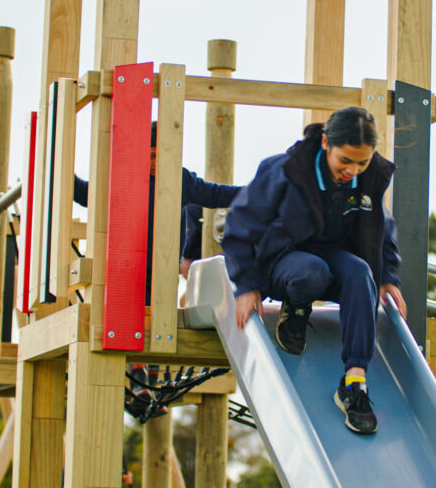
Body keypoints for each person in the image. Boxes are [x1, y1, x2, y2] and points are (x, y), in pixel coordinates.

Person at [222, 106, 406, 435]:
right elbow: (239, 225)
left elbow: (383, 228)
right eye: (345, 161)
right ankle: (296, 307)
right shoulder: (283, 171)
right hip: (282, 258)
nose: (353, 170)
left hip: (331, 255)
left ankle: (354, 382)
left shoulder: (368, 178)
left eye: (362, 162)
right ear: (325, 143)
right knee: (312, 271)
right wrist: (246, 284)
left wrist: (389, 278)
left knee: (361, 272)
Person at [74, 121, 241, 420]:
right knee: (131, 321)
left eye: (161, 156)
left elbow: (217, 194)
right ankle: (140, 384)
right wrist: (62, 174)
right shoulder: (123, 178)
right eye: (150, 157)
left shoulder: (180, 180)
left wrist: (264, 190)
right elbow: (86, 194)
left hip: (163, 268)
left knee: (157, 322)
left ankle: (148, 386)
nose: (155, 164)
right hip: (125, 264)